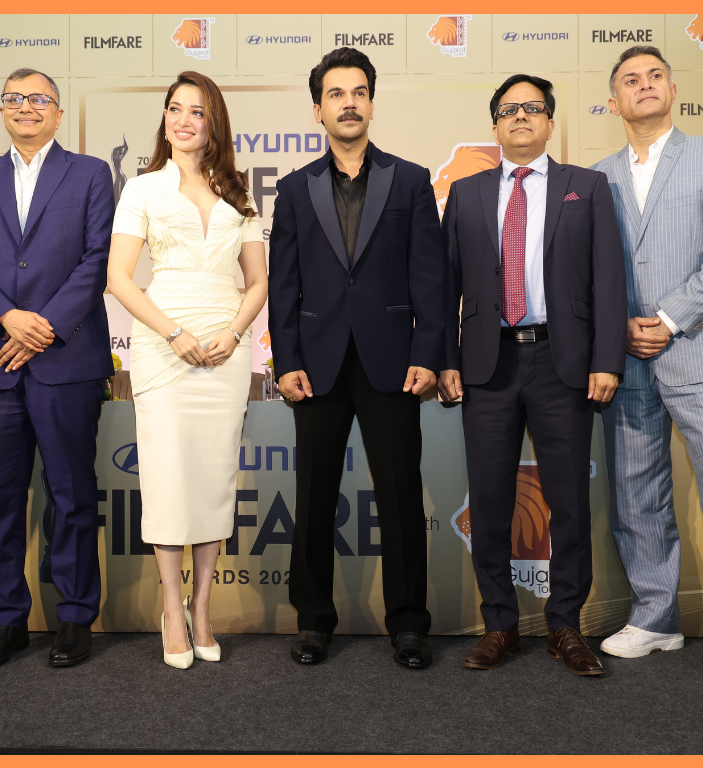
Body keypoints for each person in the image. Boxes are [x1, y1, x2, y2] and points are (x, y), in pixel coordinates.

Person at [590, 46, 703, 686]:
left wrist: (668, 318)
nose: (644, 85)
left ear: (672, 89)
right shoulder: (597, 176)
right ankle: (655, 617)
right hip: (625, 360)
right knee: (636, 497)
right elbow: (589, 267)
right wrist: (617, 327)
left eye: (655, 76)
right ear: (614, 102)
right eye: (630, 80)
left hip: (698, 351)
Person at [439, 74, 626, 674]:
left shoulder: (586, 188)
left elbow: (608, 278)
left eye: (533, 108)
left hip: (561, 363)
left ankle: (565, 625)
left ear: (549, 121)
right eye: (509, 109)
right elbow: (444, 287)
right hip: (487, 365)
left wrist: (606, 359)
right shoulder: (465, 193)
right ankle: (499, 624)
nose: (521, 116)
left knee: (568, 502)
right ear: (495, 124)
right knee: (490, 501)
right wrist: (447, 360)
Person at [268, 48, 447, 669]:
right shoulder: (294, 189)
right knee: (313, 496)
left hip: (392, 362)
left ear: (372, 103)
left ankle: (410, 624)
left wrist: (429, 351)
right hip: (316, 365)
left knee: (401, 497)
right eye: (336, 94)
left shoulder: (412, 180)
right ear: (317, 109)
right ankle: (313, 621)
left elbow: (430, 278)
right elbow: (284, 284)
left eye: (359, 92)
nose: (348, 103)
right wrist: (285, 360)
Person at [0, 68, 115, 670]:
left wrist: (43, 326)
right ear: (2, 110)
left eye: (39, 98)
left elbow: (98, 259)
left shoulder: (90, 173)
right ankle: (7, 619)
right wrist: (8, 318)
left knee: (71, 494)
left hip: (66, 357)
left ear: (58, 112)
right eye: (14, 98)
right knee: (0, 496)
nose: (26, 107)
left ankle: (75, 616)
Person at [106, 71, 268, 669]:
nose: (183, 119)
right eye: (174, 108)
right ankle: (171, 610)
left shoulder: (239, 193)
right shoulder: (142, 188)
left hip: (226, 349)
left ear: (213, 122)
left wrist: (233, 333)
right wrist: (175, 333)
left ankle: (203, 609)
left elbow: (259, 281)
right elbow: (119, 277)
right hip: (163, 344)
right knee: (169, 479)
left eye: (196, 111)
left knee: (213, 480)